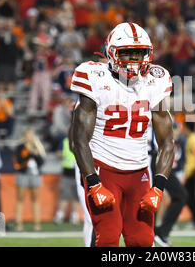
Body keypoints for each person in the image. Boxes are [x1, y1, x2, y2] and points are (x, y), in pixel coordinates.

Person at [69, 22, 174, 247]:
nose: (134, 60)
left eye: (140, 53)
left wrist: (158, 187)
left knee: (142, 241)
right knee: (107, 237)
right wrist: (94, 182)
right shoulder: (94, 76)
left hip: (138, 171)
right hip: (103, 167)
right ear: (112, 53)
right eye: (127, 54)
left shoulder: (156, 80)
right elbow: (78, 140)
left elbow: (167, 142)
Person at [13, 129, 45, 231]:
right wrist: (29, 153)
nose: (29, 137)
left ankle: (37, 223)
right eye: (27, 135)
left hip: (35, 175)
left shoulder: (37, 146)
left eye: (31, 135)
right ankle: (19, 223)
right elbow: (18, 161)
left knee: (35, 199)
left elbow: (41, 162)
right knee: (20, 199)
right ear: (24, 136)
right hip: (23, 174)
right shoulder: (20, 147)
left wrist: (35, 154)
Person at [54, 137, 81, 226]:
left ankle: (74, 215)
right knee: (64, 195)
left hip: (77, 173)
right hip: (67, 172)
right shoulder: (65, 141)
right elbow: (58, 153)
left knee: (76, 196)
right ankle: (60, 215)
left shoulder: (80, 140)